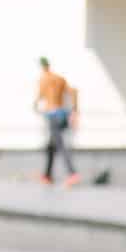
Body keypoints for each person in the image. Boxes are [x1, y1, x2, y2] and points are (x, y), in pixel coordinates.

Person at [33, 57, 80, 186]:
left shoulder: (44, 80)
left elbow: (40, 96)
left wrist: (35, 105)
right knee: (51, 146)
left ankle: (72, 173)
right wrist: (74, 110)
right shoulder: (59, 79)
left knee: (59, 145)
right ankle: (47, 175)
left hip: (52, 115)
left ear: (42, 67)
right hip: (62, 113)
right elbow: (73, 91)